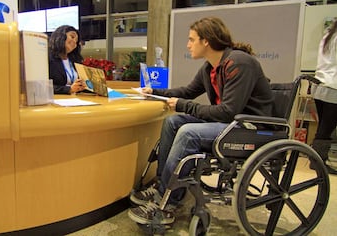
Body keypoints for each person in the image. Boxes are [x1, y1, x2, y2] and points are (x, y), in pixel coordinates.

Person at [128, 16, 274, 225]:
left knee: (189, 133)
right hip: (232, 124)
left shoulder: (239, 63)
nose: (187, 45)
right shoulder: (209, 68)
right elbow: (188, 92)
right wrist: (154, 91)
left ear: (206, 41)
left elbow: (227, 111)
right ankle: (163, 184)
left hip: (251, 128)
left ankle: (166, 202)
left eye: (191, 39)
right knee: (173, 122)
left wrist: (182, 104)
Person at [310, 19, 337, 175]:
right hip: (333, 87)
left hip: (320, 85)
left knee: (323, 127)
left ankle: (317, 160)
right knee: (326, 129)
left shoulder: (328, 35)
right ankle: (318, 162)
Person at [48, 25, 86, 94]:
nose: (74, 42)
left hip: (74, 101)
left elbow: (81, 86)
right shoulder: (48, 59)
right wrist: (68, 89)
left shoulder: (75, 61)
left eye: (76, 41)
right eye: (72, 37)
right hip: (56, 102)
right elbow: (44, 86)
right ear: (60, 37)